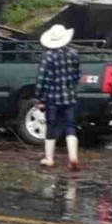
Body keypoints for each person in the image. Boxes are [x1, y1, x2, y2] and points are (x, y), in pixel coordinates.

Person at [36, 24, 82, 171]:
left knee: (51, 126)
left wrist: (39, 97)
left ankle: (49, 158)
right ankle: (73, 157)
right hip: (70, 96)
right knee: (70, 126)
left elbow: (43, 79)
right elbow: (76, 76)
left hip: (52, 98)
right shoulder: (74, 54)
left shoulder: (47, 57)